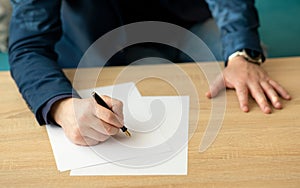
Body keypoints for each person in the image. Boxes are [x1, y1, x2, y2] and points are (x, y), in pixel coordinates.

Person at [9, 0, 291, 146]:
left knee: (245, 61)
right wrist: (62, 107)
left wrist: (240, 54)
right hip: (88, 38)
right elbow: (29, 46)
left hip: (181, 22)